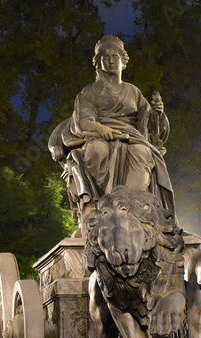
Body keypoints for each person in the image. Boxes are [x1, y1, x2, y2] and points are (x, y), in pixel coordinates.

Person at [49, 35, 174, 227]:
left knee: (142, 152)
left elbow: (149, 126)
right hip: (98, 137)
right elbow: (83, 121)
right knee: (97, 150)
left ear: (123, 61)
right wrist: (102, 129)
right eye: (105, 56)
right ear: (98, 63)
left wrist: (158, 114)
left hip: (132, 137)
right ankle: (103, 207)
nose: (111, 60)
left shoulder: (134, 92)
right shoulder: (88, 92)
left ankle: (133, 209)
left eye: (115, 56)